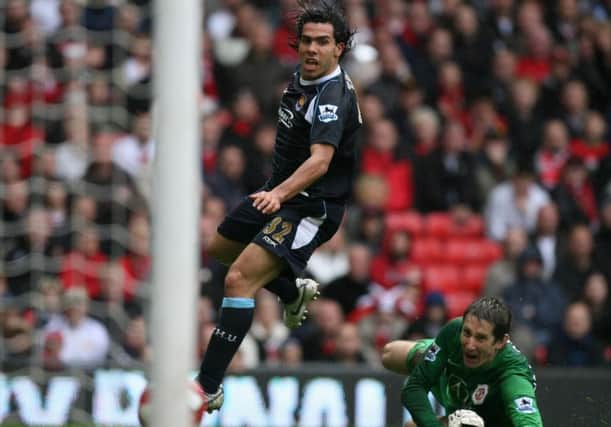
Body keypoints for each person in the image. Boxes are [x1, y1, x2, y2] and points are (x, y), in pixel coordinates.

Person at [195, 0, 361, 412]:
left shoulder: (331, 95)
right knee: (219, 248)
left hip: (309, 207)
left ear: (339, 48)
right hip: (281, 190)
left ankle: (208, 384)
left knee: (238, 280)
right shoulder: (301, 77)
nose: (312, 49)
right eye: (306, 41)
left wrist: (279, 195)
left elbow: (321, 161)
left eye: (323, 42)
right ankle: (290, 290)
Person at [382, 297, 543, 427]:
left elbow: (529, 422)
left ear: (501, 342)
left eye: (480, 338)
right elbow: (413, 388)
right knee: (390, 354)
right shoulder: (454, 331)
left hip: (486, 421)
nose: (470, 345)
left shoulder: (514, 374)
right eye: (467, 333)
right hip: (448, 380)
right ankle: (430, 355)